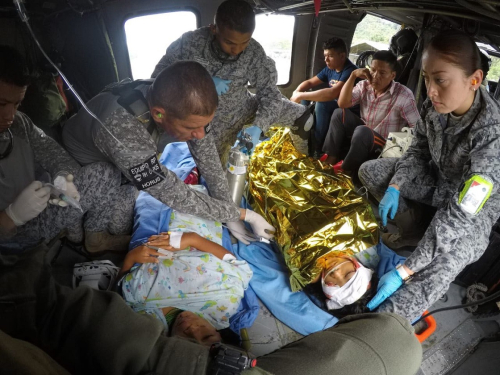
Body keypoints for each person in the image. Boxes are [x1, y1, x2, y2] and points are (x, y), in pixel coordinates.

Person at [0, 242, 423, 375]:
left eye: (198, 336)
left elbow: (135, 347)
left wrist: (35, 297)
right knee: (398, 341)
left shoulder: (145, 312)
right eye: (208, 336)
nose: (193, 325)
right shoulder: (226, 314)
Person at [358, 30, 500, 322]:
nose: (431, 90)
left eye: (440, 79)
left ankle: (386, 323)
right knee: (370, 172)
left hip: (473, 213)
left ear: (474, 80)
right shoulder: (434, 106)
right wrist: (396, 186)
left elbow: (462, 213)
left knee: (444, 263)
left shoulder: (490, 134)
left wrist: (405, 271)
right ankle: (415, 231)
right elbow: (417, 151)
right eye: (426, 78)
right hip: (437, 185)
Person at [62, 60, 274, 244]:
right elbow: (173, 192)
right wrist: (243, 215)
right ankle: (87, 234)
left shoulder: (179, 104)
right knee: (118, 227)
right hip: (83, 169)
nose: (200, 135)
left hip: (118, 161)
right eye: (192, 129)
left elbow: (208, 159)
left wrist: (230, 212)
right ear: (159, 114)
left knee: (125, 219)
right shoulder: (121, 127)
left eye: (204, 126)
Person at [0, 45, 135, 252]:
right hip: (10, 237)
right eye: (2, 104)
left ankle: (86, 237)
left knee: (106, 171)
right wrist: (11, 217)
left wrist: (63, 178)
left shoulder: (20, 124)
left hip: (39, 212)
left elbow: (57, 157)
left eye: (17, 104)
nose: (10, 115)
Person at [151, 0, 313, 162]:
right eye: (229, 42)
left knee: (304, 118)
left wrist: (258, 126)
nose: (237, 50)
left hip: (243, 107)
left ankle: (305, 160)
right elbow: (157, 79)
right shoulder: (189, 44)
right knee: (217, 173)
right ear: (214, 29)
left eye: (244, 42)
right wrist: (197, 82)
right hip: (211, 123)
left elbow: (271, 96)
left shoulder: (254, 52)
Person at [119, 229, 252, 345]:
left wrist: (130, 259)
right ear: (219, 333)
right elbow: (236, 265)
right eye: (207, 336)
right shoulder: (225, 303)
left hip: (146, 241)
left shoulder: (146, 327)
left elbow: (117, 297)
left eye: (186, 342)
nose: (190, 328)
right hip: (192, 231)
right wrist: (193, 239)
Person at [321, 50, 420, 175]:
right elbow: (343, 103)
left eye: (382, 73)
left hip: (382, 142)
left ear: (392, 75)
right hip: (363, 133)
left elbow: (417, 128)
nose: (375, 76)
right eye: (373, 70)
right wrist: (353, 76)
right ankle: (331, 157)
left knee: (363, 131)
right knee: (339, 113)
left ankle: (346, 171)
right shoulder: (364, 86)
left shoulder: (404, 96)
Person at [290, 37, 357, 156]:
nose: (326, 59)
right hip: (335, 103)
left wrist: (301, 95)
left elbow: (333, 93)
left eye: (330, 56)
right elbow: (310, 82)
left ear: (342, 56)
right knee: (306, 96)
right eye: (325, 55)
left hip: (349, 109)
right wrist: (297, 92)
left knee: (322, 104)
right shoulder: (330, 69)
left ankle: (317, 147)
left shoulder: (350, 71)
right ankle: (300, 132)